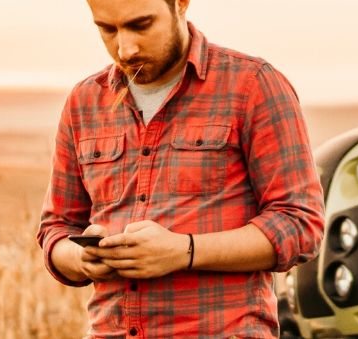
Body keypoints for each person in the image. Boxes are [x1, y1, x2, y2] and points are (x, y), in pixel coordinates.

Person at [34, 0, 323, 337]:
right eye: (107, 29)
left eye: (141, 25)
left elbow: (300, 223)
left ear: (181, 4)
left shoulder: (254, 85)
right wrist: (80, 258)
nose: (125, 49)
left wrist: (184, 251)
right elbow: (56, 229)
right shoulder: (83, 102)